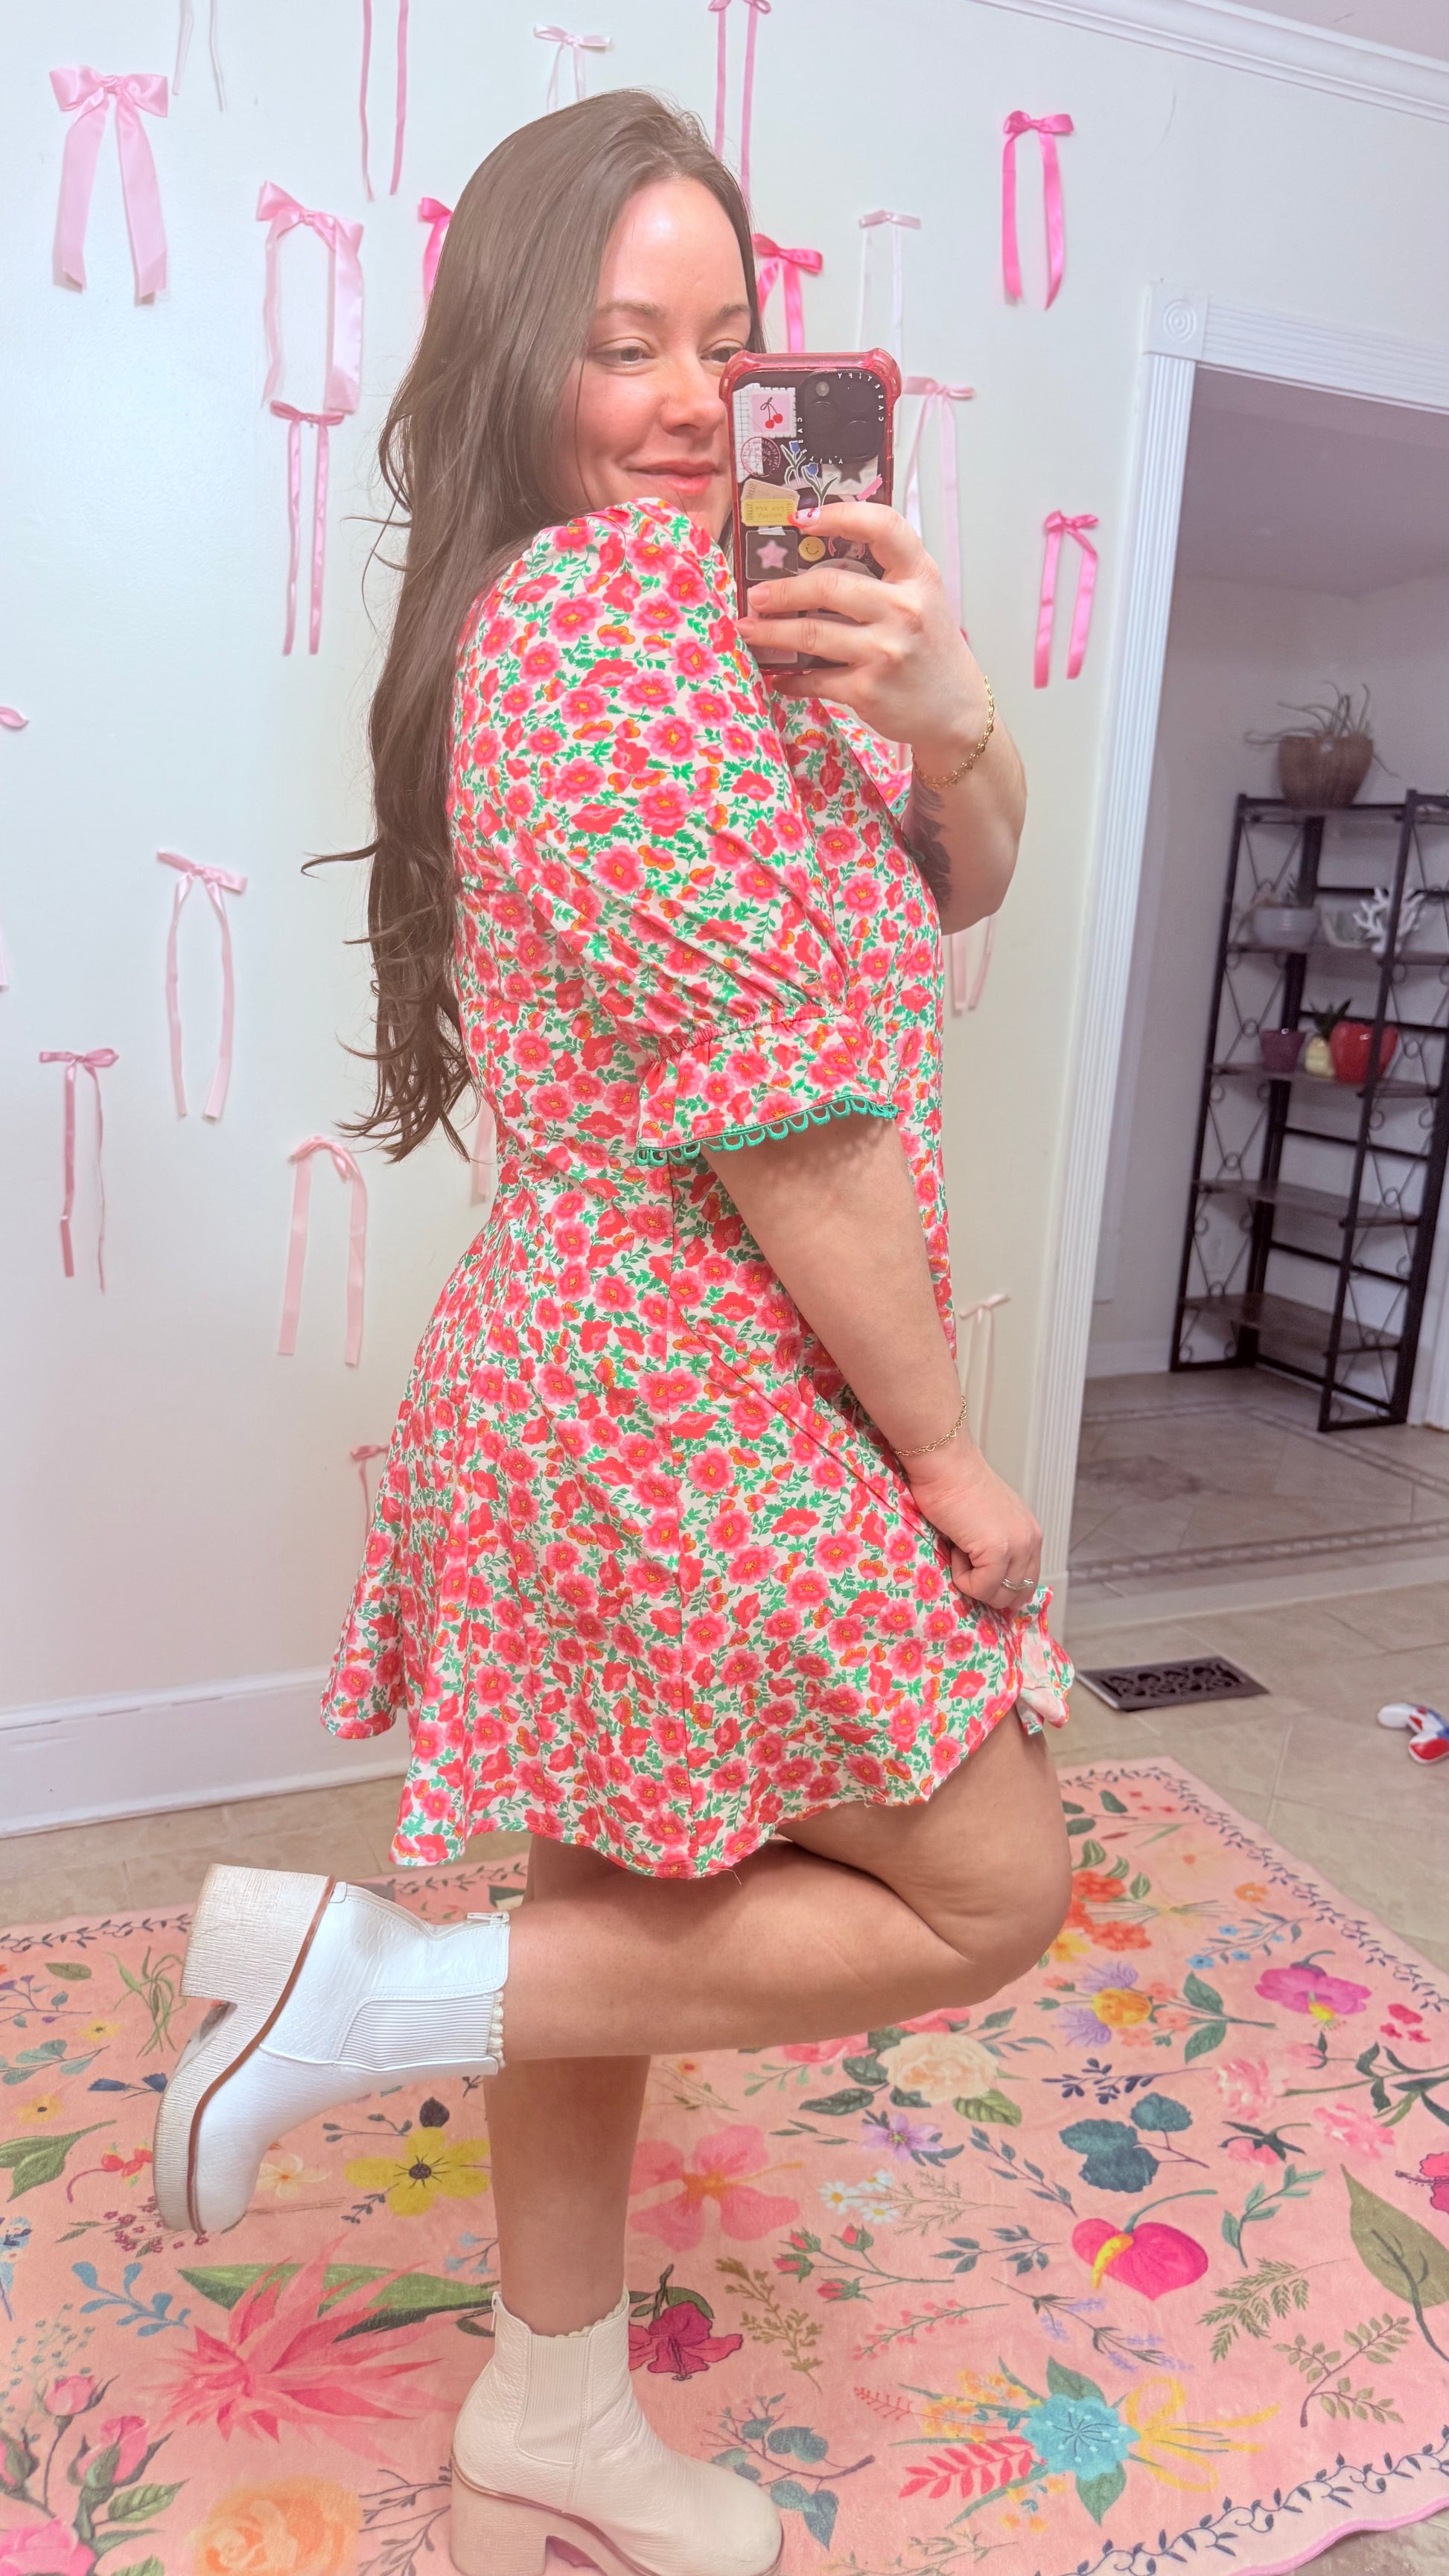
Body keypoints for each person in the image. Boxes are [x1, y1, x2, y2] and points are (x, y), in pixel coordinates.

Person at [152, 89, 1072, 2576]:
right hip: (680, 1381)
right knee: (991, 1883)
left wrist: (949, 707)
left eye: (729, 340)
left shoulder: (723, 628)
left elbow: (953, 884)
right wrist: (952, 1459)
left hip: (623, 1372)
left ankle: (548, 2406)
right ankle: (362, 1999)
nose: (689, 399)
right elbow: (793, 1130)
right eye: (621, 341)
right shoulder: (606, 633)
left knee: (621, 1906)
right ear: (514, 364)